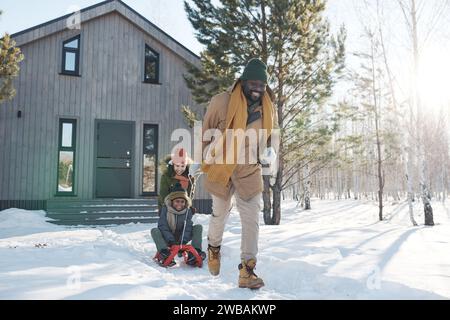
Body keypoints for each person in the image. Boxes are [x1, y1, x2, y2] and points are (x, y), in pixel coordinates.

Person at [201, 58, 278, 289]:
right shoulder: (222, 101)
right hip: (222, 166)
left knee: (251, 220)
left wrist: (271, 151)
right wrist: (205, 155)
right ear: (243, 82)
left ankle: (248, 270)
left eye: (262, 85)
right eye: (253, 83)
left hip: (249, 169)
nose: (257, 89)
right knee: (219, 215)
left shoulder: (268, 106)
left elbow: (272, 134)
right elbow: (206, 131)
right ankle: (214, 248)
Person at [151, 183, 206, 266]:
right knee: (155, 230)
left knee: (198, 227)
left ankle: (195, 253)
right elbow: (163, 226)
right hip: (168, 238)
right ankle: (165, 254)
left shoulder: (188, 211)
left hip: (182, 238)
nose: (180, 204)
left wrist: (183, 241)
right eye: (177, 201)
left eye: (182, 202)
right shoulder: (165, 210)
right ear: (172, 201)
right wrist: (171, 241)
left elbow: (187, 228)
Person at [158, 148, 195, 213]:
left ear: (186, 165)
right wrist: (165, 208)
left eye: (182, 166)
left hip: (182, 207)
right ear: (173, 164)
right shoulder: (167, 176)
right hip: (167, 207)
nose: (180, 169)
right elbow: (163, 193)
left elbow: (190, 194)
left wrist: (188, 206)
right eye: (177, 166)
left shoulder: (190, 177)